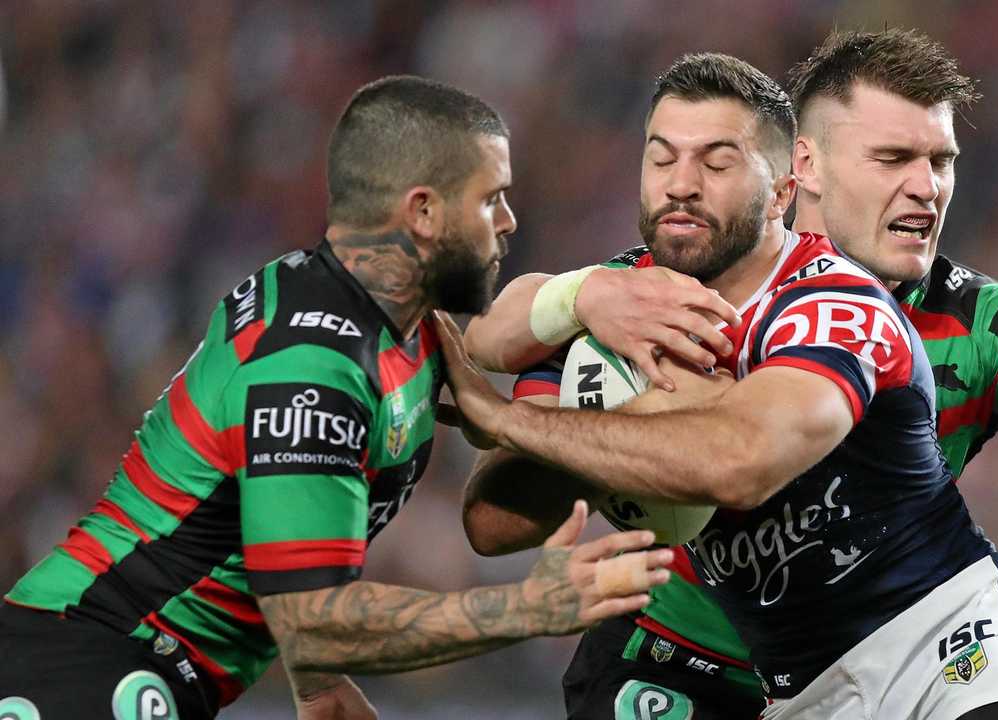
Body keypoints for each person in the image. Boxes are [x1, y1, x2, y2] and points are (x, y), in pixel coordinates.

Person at [464, 31, 998, 720]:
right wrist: (575, 309)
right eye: (892, 159)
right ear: (802, 168)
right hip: (694, 658)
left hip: (925, 643)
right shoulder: (641, 297)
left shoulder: (962, 318)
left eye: (940, 162)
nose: (926, 188)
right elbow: (494, 486)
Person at [0, 75, 674, 720]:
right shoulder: (311, 368)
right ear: (423, 212)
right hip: (83, 663)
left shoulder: (407, 326)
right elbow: (313, 619)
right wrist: (532, 606)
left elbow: (270, 525)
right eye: (490, 197)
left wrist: (316, 679)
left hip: (140, 671)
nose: (508, 221)